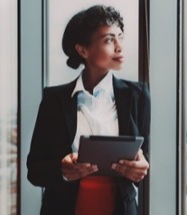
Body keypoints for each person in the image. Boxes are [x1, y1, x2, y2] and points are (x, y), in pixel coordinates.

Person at [27, 5, 150, 215]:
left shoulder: (137, 95)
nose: (119, 47)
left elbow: (145, 159)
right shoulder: (54, 100)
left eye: (120, 37)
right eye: (109, 39)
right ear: (83, 50)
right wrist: (63, 170)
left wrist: (141, 167)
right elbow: (35, 171)